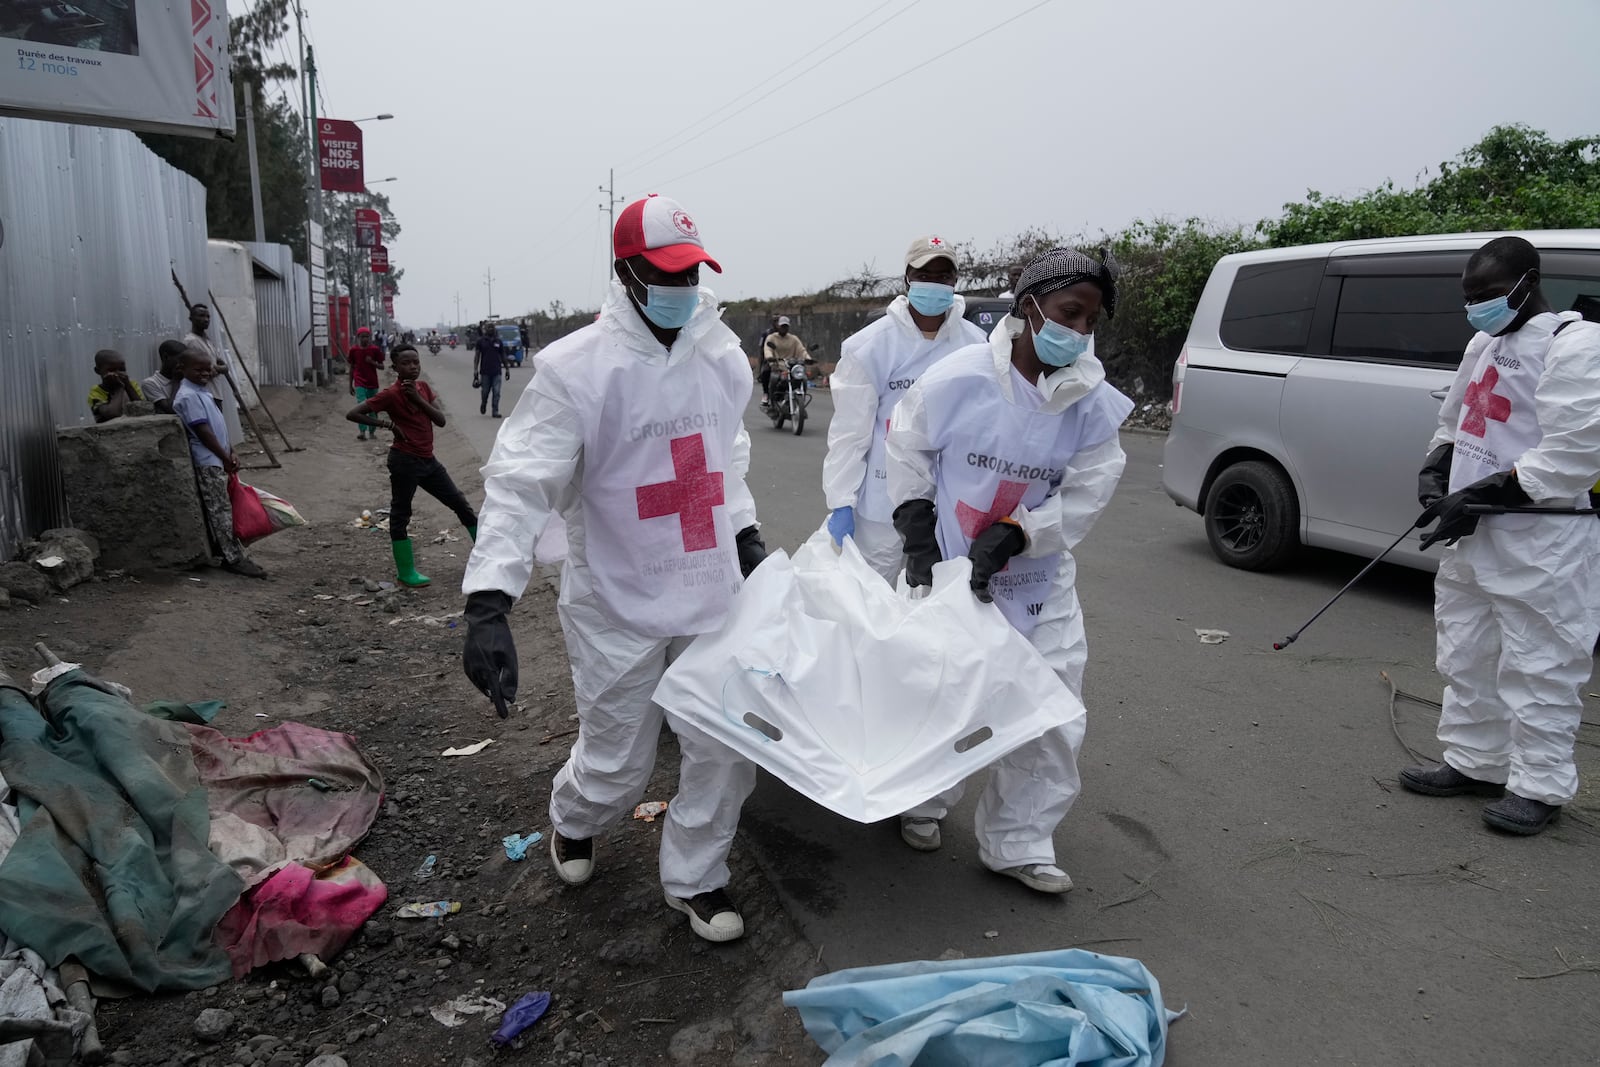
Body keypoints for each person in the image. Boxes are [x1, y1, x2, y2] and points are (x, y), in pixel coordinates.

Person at [461, 193, 766, 942]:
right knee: (618, 766)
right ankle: (574, 817)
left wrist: (746, 534)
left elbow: (723, 459)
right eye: (666, 272)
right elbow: (522, 480)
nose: (682, 287)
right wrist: (488, 601)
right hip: (615, 599)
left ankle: (697, 875)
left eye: (692, 271)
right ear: (626, 272)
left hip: (709, 591)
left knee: (726, 747)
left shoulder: (722, 358)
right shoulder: (576, 370)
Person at [885, 247, 1133, 887]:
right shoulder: (958, 378)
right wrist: (915, 527)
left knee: (1052, 706)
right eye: (1067, 314)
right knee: (944, 694)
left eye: (1090, 321)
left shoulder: (1091, 402)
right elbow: (907, 445)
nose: (1078, 332)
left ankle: (1019, 841)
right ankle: (922, 802)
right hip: (950, 563)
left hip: (1038, 577)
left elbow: (1088, 490)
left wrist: (1023, 534)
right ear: (1029, 307)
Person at [1401, 236, 1600, 836]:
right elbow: (1459, 416)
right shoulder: (1484, 342)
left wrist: (1491, 493)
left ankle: (1538, 785)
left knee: (1541, 660)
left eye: (1487, 295)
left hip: (1542, 539)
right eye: (1469, 298)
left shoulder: (1577, 344)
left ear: (1529, 281)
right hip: (1475, 531)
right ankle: (1475, 759)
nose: (1478, 307)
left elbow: (1574, 451)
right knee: (1466, 648)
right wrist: (1437, 467)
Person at [820, 235, 987, 578]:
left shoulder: (976, 346)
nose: (934, 284)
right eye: (925, 275)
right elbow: (850, 434)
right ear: (907, 279)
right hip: (881, 510)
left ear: (955, 282)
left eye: (943, 277)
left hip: (949, 507)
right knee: (871, 608)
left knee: (937, 609)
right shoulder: (870, 347)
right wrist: (841, 501)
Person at [347, 345, 477, 587]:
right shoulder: (390, 394)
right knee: (401, 515)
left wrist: (418, 398)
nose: (413, 367)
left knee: (460, 503)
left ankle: (487, 558)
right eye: (406, 363)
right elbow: (353, 413)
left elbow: (440, 420)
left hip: (428, 461)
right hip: (404, 461)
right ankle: (406, 573)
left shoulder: (423, 388)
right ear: (395, 367)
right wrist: (389, 426)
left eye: (416, 362)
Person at [172, 349, 266, 578]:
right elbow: (203, 432)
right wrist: (224, 457)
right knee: (220, 510)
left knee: (223, 506)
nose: (205, 373)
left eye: (208, 369)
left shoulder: (201, 391)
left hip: (218, 457)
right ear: (182, 369)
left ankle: (224, 550)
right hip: (208, 460)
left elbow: (217, 428)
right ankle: (232, 558)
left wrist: (230, 451)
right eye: (198, 369)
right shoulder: (187, 396)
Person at [349, 327, 387, 440]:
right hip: (359, 381)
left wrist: (372, 362)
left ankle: (372, 432)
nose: (365, 339)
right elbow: (351, 367)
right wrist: (350, 384)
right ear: (358, 337)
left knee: (372, 408)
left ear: (370, 338)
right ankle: (362, 431)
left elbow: (382, 366)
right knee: (361, 405)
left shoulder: (375, 350)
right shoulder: (354, 350)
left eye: (367, 337)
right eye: (362, 337)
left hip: (372, 383)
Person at [87, 349, 144, 422]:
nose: (118, 373)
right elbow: (112, 414)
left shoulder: (132, 385)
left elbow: (143, 409)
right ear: (98, 371)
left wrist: (128, 386)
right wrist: (119, 388)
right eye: (111, 370)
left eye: (122, 369)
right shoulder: (96, 392)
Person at [761, 316, 806, 405]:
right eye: (782, 326)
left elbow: (801, 350)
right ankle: (768, 396)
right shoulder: (771, 337)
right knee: (767, 374)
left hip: (791, 366)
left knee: (803, 379)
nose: (784, 328)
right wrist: (770, 357)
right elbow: (768, 349)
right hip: (777, 364)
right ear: (778, 326)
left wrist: (807, 358)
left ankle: (801, 403)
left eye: (786, 326)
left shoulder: (794, 339)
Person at [141, 340, 188, 414]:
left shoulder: (186, 378)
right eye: (180, 360)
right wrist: (176, 382)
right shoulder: (150, 383)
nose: (183, 364)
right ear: (166, 357)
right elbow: (171, 409)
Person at [474, 325, 504, 417]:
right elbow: (477, 356)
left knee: (497, 392)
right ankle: (483, 403)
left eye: (492, 327)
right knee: (485, 392)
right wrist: (475, 370)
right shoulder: (481, 341)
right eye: (489, 327)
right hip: (485, 372)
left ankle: (495, 411)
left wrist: (507, 369)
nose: (491, 329)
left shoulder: (498, 341)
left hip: (497, 371)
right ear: (486, 330)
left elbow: (503, 355)